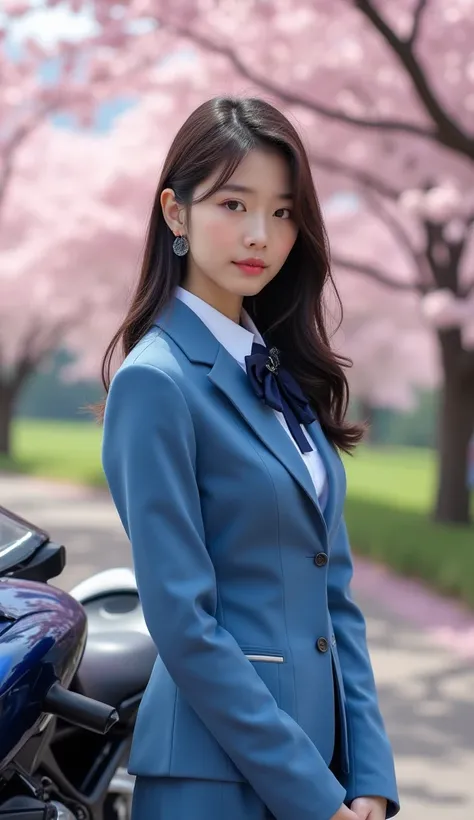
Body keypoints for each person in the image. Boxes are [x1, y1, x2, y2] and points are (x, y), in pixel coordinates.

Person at [99, 96, 400, 820]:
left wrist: (370, 780)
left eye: (284, 212)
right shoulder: (157, 382)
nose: (260, 235)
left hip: (323, 775)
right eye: (234, 205)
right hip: (215, 781)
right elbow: (184, 622)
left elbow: (337, 601)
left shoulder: (277, 375)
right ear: (176, 212)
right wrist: (316, 798)